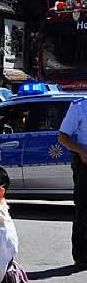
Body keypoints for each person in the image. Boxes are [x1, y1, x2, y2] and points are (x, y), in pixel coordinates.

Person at [57, 96, 87, 268]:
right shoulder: (80, 106)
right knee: (83, 211)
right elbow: (63, 136)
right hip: (85, 163)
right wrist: (81, 151)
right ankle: (82, 257)